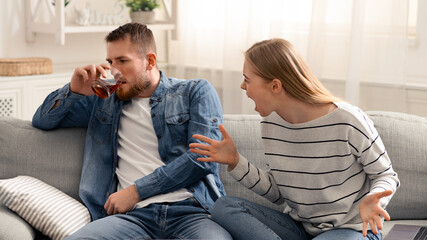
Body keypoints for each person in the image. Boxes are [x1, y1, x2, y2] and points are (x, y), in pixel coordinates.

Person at [32, 23, 232, 240]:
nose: (115, 70)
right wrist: (72, 91)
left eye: (123, 61)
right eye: (111, 61)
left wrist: (136, 192)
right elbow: (42, 121)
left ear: (150, 61)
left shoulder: (195, 91)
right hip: (132, 218)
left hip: (193, 213)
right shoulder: (103, 102)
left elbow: (203, 158)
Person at [189, 38, 400, 240]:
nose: (243, 87)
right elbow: (278, 194)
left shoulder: (348, 120)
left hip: (350, 231)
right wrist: (236, 162)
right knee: (223, 207)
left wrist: (375, 198)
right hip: (299, 229)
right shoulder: (271, 123)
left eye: (247, 79)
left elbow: (386, 175)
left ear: (275, 86)